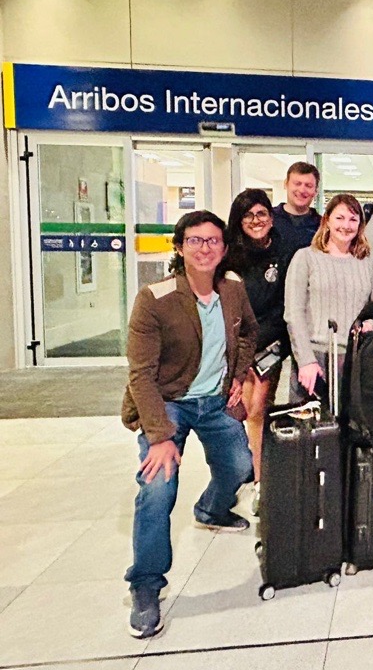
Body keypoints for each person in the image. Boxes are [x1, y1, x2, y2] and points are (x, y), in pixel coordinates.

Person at [122, 210, 259, 639]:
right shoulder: (155, 298)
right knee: (158, 488)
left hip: (215, 400)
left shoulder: (233, 289)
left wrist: (237, 375)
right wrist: (160, 437)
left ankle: (212, 509)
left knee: (241, 466)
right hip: (168, 404)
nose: (205, 248)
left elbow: (247, 333)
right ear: (179, 247)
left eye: (213, 241)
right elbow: (140, 374)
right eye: (196, 241)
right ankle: (146, 585)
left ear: (223, 247)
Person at [223, 189, 292, 515]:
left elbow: (285, 301)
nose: (255, 220)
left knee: (258, 411)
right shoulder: (228, 256)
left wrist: (265, 341)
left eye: (261, 213)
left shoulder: (283, 250)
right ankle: (240, 472)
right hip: (234, 346)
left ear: (271, 216)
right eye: (248, 215)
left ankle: (262, 484)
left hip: (271, 343)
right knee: (237, 411)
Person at [284, 194, 373, 399]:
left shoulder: (367, 263)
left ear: (360, 225)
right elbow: (293, 314)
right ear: (327, 221)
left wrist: (371, 324)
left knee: (351, 427)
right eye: (339, 218)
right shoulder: (305, 257)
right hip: (315, 358)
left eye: (353, 219)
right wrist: (305, 360)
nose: (346, 225)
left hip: (356, 358)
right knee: (314, 426)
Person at [271, 161, 321, 259]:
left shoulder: (322, 226)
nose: (302, 190)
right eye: (297, 184)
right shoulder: (269, 219)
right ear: (286, 184)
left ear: (316, 191)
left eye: (308, 186)